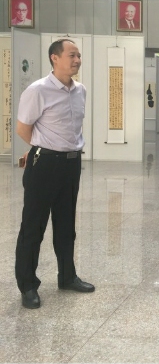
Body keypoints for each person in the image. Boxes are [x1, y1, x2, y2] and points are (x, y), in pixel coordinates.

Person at [15, 38, 94, 310]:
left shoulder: (80, 90)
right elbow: (23, 128)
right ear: (54, 58)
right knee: (33, 225)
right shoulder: (38, 90)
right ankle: (27, 285)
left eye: (79, 55)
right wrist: (42, 147)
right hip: (44, 165)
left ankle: (67, 276)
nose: (77, 60)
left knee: (66, 224)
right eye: (72, 55)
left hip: (71, 164)